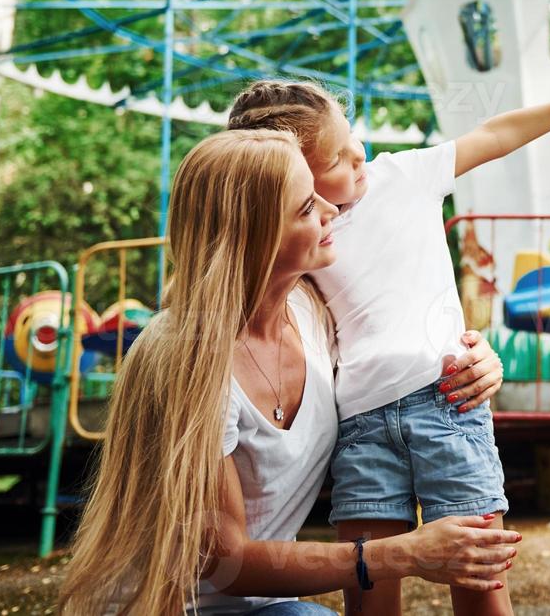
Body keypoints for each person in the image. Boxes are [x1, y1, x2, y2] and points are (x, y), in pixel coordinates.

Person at [226, 63, 550, 615]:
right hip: (360, 422)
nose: (360, 155)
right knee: (370, 592)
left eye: (353, 140)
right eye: (338, 160)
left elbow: (493, 135)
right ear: (293, 179)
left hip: (448, 400)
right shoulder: (304, 242)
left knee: (479, 580)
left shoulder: (403, 176)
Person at [60, 129, 518, 615]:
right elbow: (224, 562)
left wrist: (475, 358)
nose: (331, 210)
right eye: (305, 208)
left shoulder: (314, 316)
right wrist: (400, 554)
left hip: (263, 607)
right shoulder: (184, 359)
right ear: (253, 237)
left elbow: (398, 336)